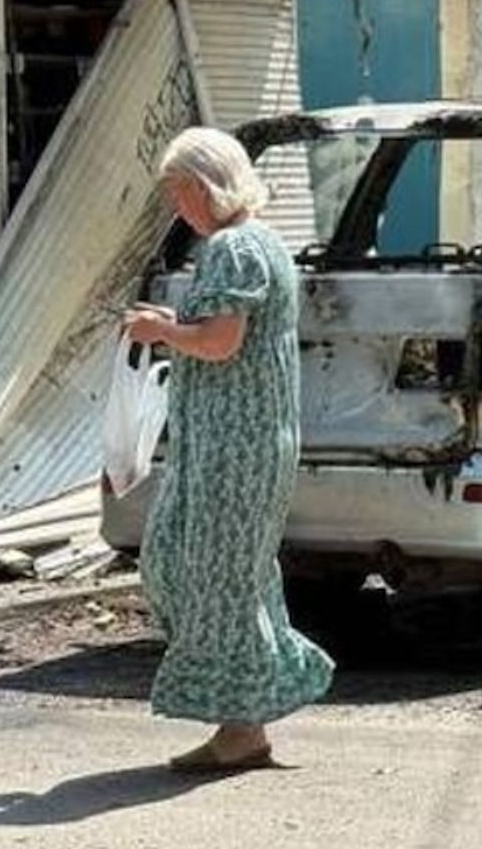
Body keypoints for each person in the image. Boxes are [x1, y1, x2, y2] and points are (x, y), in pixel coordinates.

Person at [122, 128, 333, 772]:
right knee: (198, 568)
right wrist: (169, 328)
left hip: (237, 446)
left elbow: (219, 342)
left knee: (213, 577)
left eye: (180, 191)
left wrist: (162, 331)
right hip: (230, 440)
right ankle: (248, 713)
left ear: (205, 186)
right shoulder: (256, 242)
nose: (178, 206)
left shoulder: (234, 246)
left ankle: (244, 723)